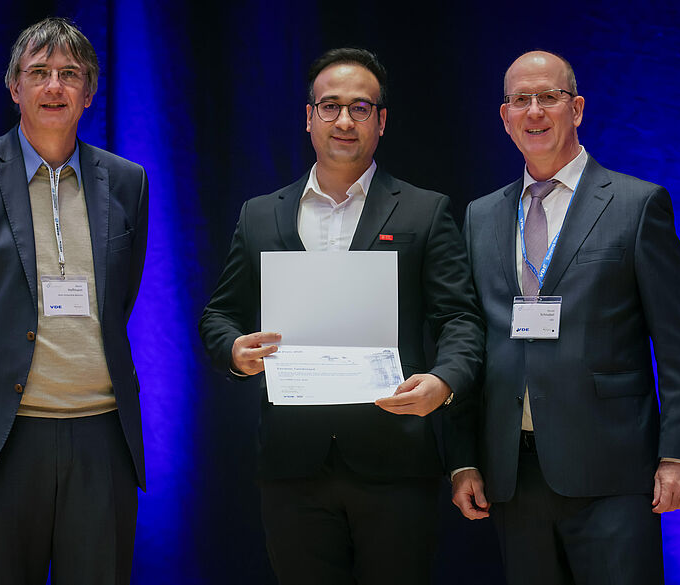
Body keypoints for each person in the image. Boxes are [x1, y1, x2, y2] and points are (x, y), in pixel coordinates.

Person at [199, 48, 484, 585]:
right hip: (291, 466)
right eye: (330, 106)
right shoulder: (260, 215)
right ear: (309, 118)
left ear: (382, 121)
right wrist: (235, 352)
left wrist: (445, 382)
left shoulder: (425, 211)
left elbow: (459, 320)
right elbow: (220, 315)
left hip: (396, 460)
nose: (344, 120)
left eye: (360, 107)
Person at [0, 17, 148, 584]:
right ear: (14, 87)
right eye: (38, 73)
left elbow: (121, 299)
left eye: (69, 74)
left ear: (90, 91)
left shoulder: (127, 181)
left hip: (101, 438)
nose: (54, 86)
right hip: (1, 440)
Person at [451, 50, 680, 585]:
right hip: (513, 473)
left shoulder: (636, 204)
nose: (535, 111)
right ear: (504, 117)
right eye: (521, 100)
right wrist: (462, 458)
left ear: (578, 109)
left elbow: (678, 341)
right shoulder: (481, 215)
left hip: (612, 469)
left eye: (550, 97)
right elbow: (469, 337)